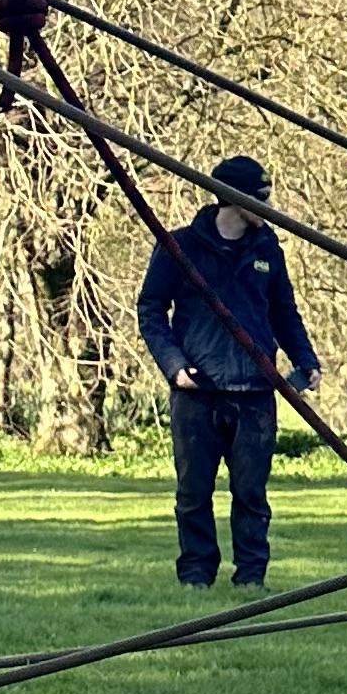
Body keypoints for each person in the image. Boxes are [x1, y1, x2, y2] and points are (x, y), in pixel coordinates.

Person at [135, 153, 319, 591]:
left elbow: (284, 312)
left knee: (251, 494)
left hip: (255, 391)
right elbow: (151, 310)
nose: (268, 207)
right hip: (196, 391)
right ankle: (195, 578)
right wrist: (174, 366)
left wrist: (306, 360)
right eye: (261, 199)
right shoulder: (179, 246)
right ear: (234, 199)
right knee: (193, 493)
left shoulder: (268, 249)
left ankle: (251, 579)